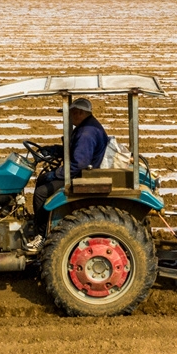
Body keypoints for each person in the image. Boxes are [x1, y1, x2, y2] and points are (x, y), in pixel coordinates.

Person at [28, 98, 109, 246]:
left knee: (41, 191)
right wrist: (53, 150)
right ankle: (42, 223)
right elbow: (74, 152)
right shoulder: (85, 127)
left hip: (81, 175)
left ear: (79, 113)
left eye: (69, 114)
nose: (67, 117)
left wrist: (55, 174)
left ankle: (41, 234)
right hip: (82, 171)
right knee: (43, 180)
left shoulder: (86, 133)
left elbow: (79, 163)